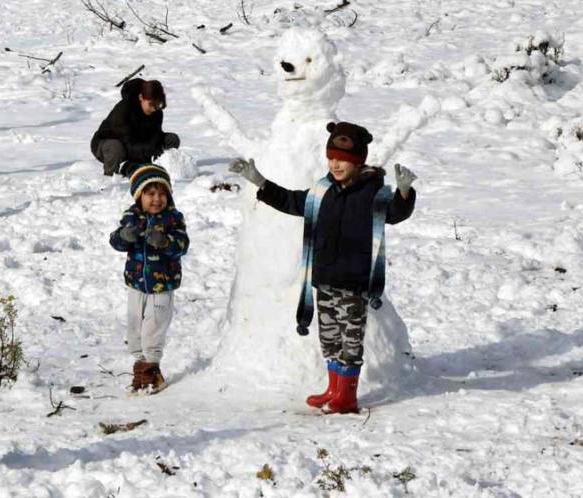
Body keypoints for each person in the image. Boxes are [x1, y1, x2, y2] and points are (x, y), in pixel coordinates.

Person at [229, 121, 417, 414]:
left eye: (343, 159)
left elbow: (394, 213)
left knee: (350, 340)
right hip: (325, 279)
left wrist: (404, 193)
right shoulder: (322, 192)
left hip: (354, 283)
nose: (335, 164)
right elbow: (292, 201)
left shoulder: (372, 194)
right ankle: (333, 388)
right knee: (329, 338)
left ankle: (348, 396)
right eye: (331, 158)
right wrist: (259, 181)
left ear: (358, 161)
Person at [109, 164, 189, 393]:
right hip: (136, 283)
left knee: (153, 328)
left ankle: (152, 369)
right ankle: (140, 366)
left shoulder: (173, 219)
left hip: (162, 284)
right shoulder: (131, 217)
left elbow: (182, 245)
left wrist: (166, 242)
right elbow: (115, 241)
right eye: (150, 194)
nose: (157, 199)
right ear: (139, 196)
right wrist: (124, 236)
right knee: (134, 328)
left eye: (162, 193)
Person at [91, 78, 181, 177]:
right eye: (151, 104)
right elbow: (126, 141)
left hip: (139, 144)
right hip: (109, 144)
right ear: (141, 97)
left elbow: (156, 135)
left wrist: (154, 148)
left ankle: (164, 168)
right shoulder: (123, 109)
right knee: (116, 147)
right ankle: (110, 178)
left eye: (157, 105)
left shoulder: (157, 112)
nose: (154, 108)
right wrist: (148, 150)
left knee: (172, 139)